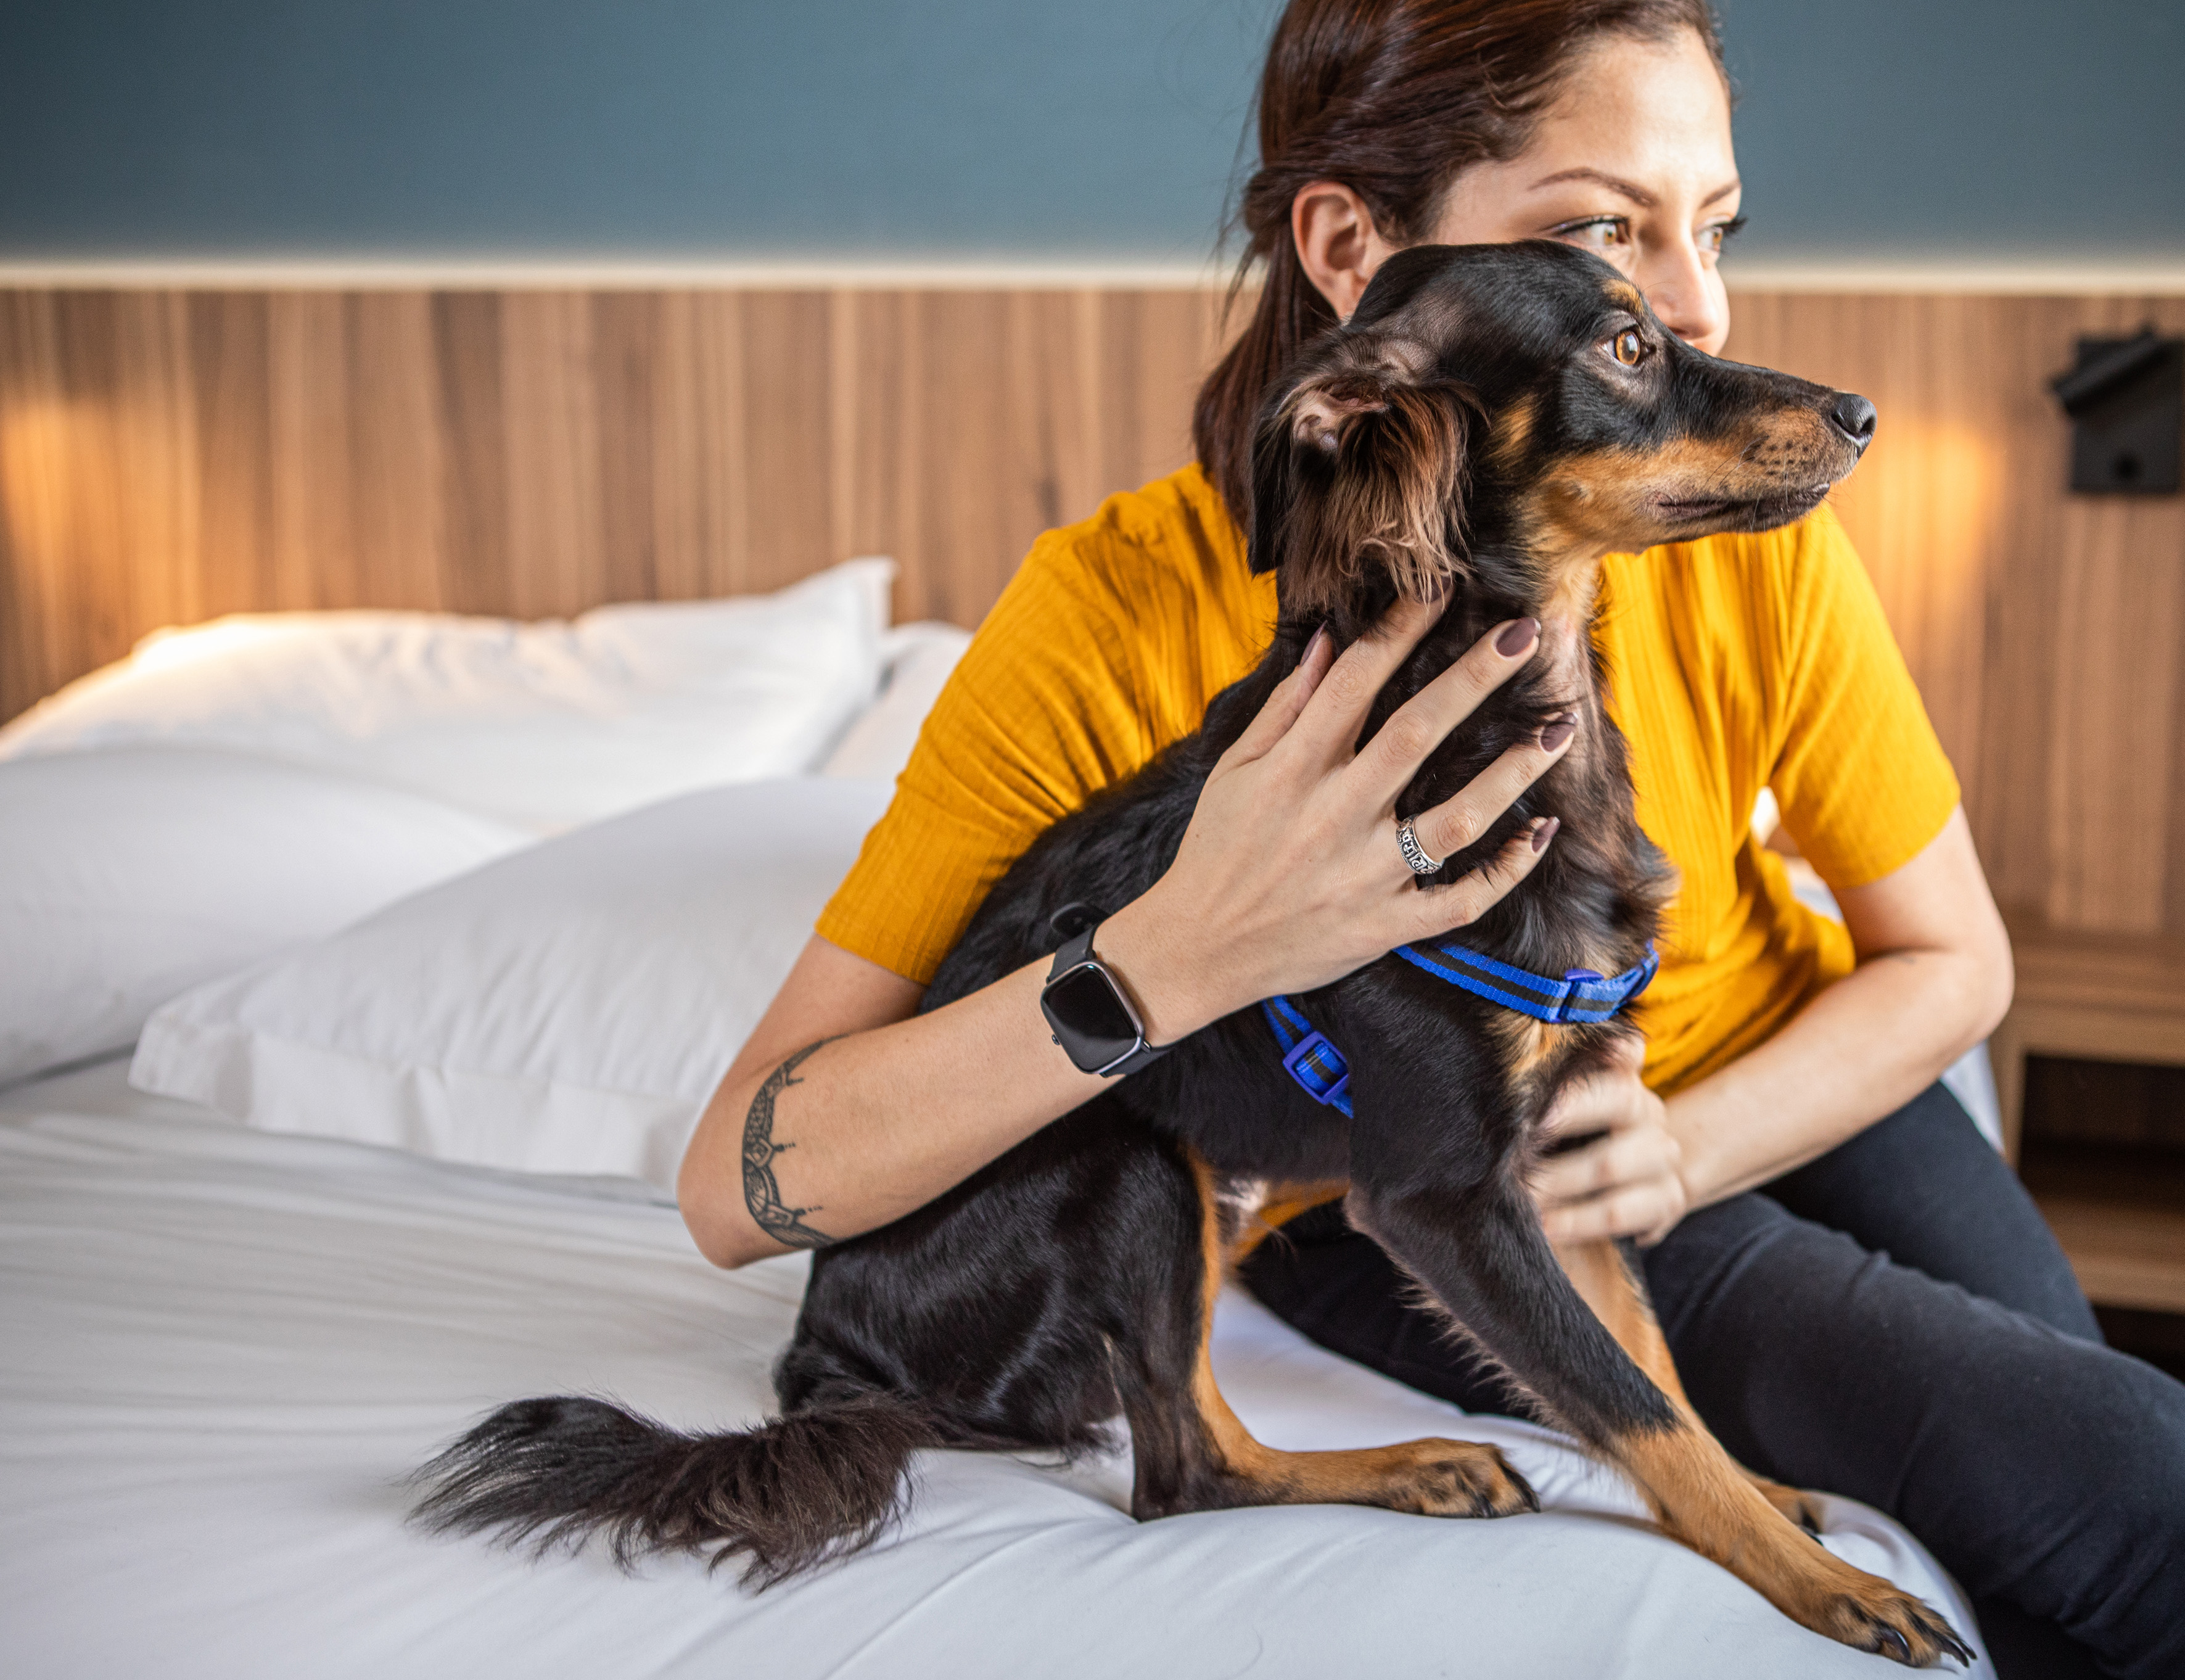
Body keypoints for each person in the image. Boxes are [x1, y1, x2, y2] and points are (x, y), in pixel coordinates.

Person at [677, 3, 2185, 1673]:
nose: (1695, 307)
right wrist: (1176, 954)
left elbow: (1953, 962)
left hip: (1792, 1067)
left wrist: (1691, 1144)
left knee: (2111, 1483)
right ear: (1354, 249)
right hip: (1449, 1159)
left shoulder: (1728, 529)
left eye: (1716, 228)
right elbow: (738, 1181)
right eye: (1603, 232)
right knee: (2125, 1482)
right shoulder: (1110, 616)